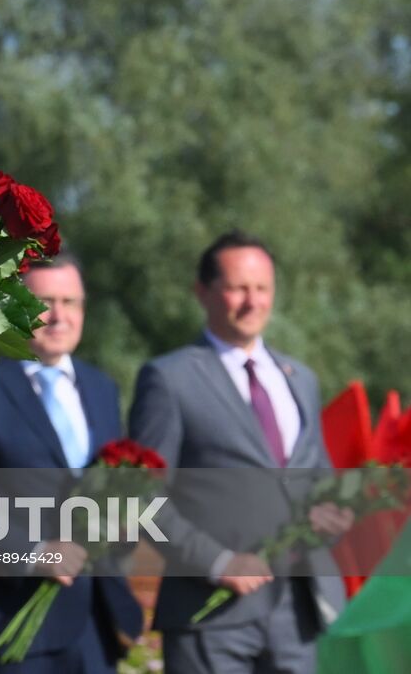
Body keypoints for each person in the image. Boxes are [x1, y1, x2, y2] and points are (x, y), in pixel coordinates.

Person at [129, 230, 349, 674]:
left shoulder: (300, 378)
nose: (252, 301)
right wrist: (217, 561)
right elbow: (140, 496)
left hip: (299, 610)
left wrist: (333, 513)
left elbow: (319, 478)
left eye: (262, 288)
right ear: (203, 292)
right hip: (209, 615)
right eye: (237, 287)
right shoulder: (169, 379)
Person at [0, 252, 142, 673]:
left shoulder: (102, 388)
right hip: (7, 628)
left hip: (96, 627)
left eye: (71, 302)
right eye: (46, 302)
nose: (59, 316)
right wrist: (32, 552)